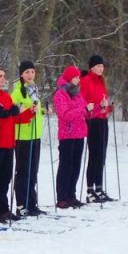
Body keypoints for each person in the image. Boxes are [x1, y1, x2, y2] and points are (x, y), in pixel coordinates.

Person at [0, 65, 27, 222]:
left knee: (5, 177)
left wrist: (24, 113)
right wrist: (5, 114)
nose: (2, 79)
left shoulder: (6, 96)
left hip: (8, 142)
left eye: (3, 76)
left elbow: (13, 118)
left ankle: (3, 208)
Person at [11, 61, 45, 216]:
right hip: (23, 135)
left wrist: (43, 110)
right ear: (21, 74)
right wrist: (28, 109)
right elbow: (14, 111)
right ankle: (21, 204)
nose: (30, 75)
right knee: (23, 170)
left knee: (33, 171)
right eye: (27, 72)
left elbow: (37, 108)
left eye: (32, 72)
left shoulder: (34, 89)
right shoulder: (18, 91)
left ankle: (32, 203)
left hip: (35, 134)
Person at [52, 65, 88, 207]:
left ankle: (71, 194)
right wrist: (82, 110)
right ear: (69, 77)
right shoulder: (60, 94)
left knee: (76, 165)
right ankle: (62, 196)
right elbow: (65, 115)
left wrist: (100, 108)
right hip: (67, 134)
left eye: (78, 77)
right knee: (66, 165)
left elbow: (85, 111)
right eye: (76, 77)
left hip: (79, 133)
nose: (78, 80)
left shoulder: (78, 93)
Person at [80, 54, 114, 202]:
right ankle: (90, 189)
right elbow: (84, 102)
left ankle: (99, 186)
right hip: (92, 121)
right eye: (98, 66)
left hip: (102, 120)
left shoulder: (102, 81)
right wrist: (97, 108)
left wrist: (107, 108)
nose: (101, 69)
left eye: (102, 66)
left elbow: (103, 100)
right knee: (94, 154)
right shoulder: (86, 81)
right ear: (92, 67)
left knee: (102, 154)